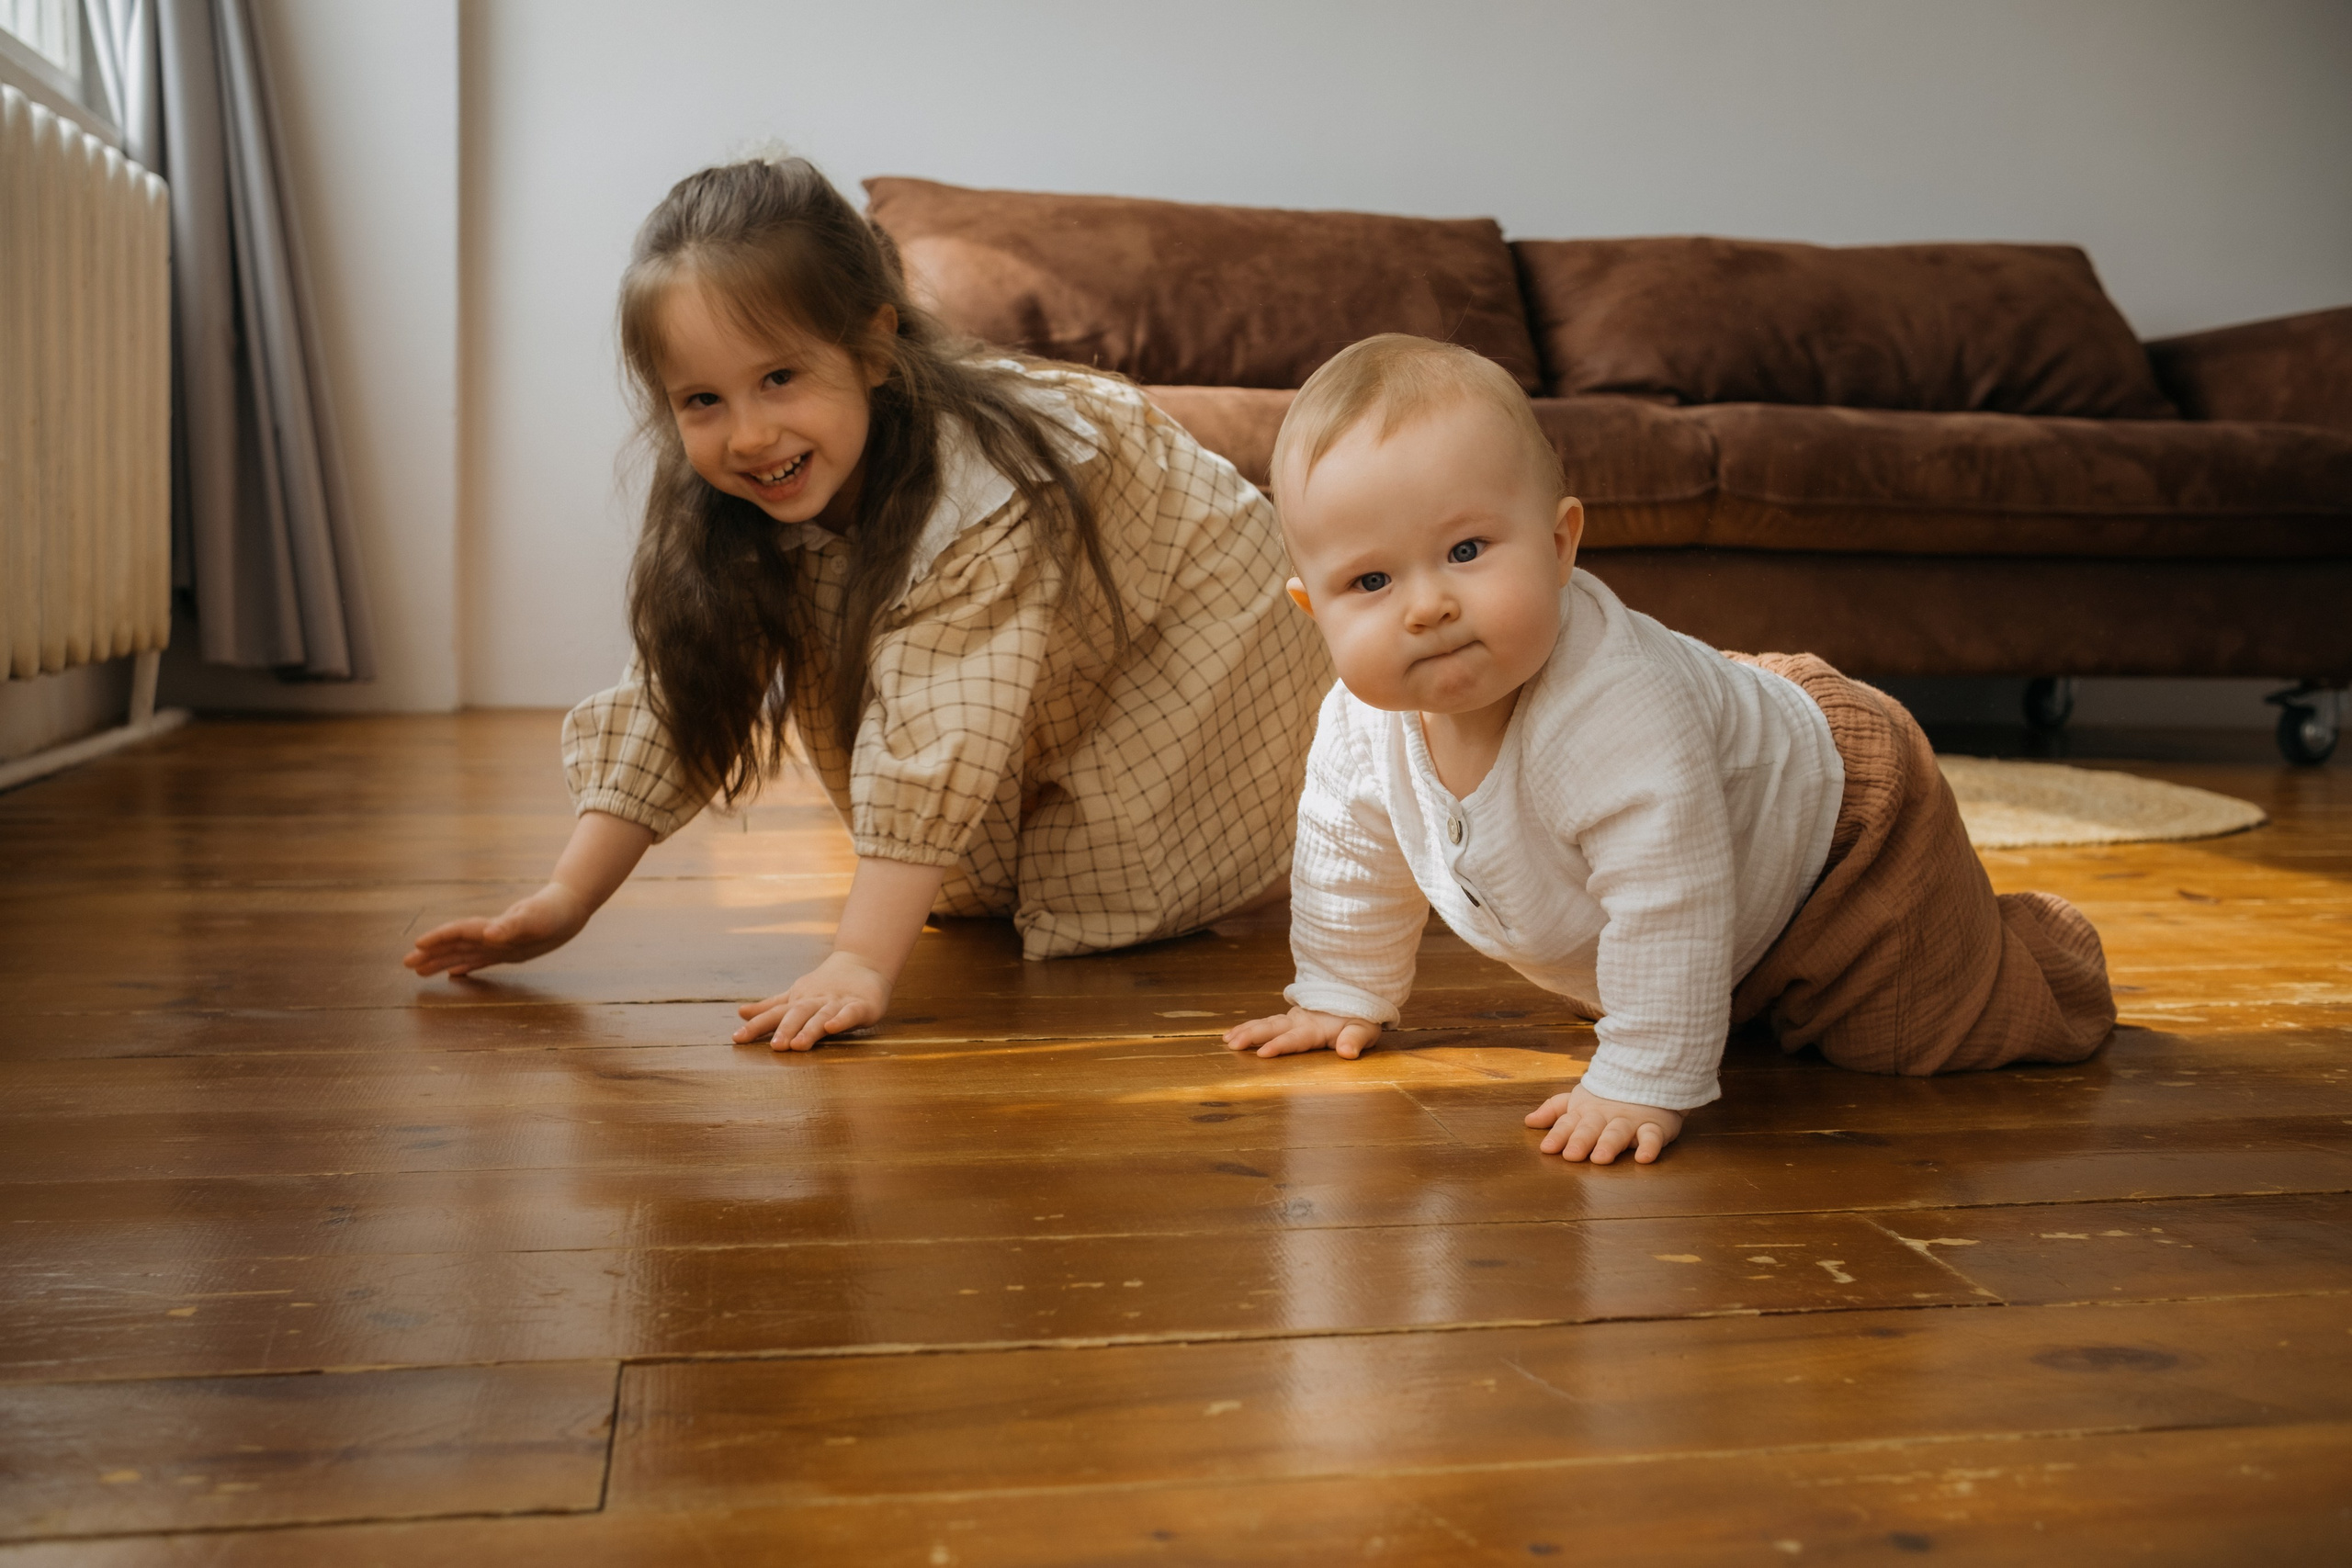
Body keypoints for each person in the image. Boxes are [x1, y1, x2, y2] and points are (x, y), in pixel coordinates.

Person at [404, 156, 1329, 1047]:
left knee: (1119, 877)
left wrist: (858, 960)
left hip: (1201, 638)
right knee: (973, 886)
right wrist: (565, 901)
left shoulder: (982, 487)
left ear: (872, 347)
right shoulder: (737, 500)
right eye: (701, 400)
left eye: (779, 378)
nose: (750, 435)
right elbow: (679, 695)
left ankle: (1315, 846)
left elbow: (939, 725)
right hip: (1054, 652)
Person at [1223, 334, 2114, 1164]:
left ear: (1561, 542)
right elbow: (1350, 856)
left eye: (1465, 549)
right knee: (1720, 997)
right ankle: (1723, 997)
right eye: (1371, 581)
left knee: (1915, 1037)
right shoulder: (1355, 723)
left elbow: (1669, 895)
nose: (1426, 606)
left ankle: (2031, 949)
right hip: (1727, 838)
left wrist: (1643, 1076)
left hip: (1845, 830)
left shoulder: (1614, 714)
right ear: (1315, 613)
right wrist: (1341, 988)